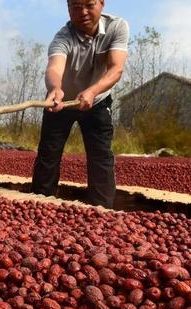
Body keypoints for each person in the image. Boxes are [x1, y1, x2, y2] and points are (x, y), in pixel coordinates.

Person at [31, 0, 129, 208]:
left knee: (100, 154)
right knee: (49, 153)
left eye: (89, 5)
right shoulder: (63, 37)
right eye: (75, 6)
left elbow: (116, 69)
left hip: (98, 100)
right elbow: (54, 68)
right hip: (61, 101)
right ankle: (39, 204)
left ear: (101, 3)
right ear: (68, 8)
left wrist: (93, 91)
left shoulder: (116, 27)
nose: (82, 12)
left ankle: (102, 211)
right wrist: (55, 89)